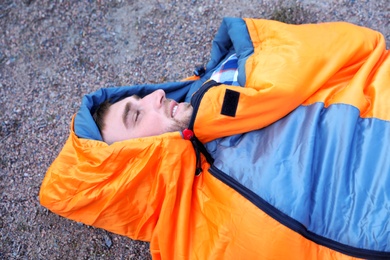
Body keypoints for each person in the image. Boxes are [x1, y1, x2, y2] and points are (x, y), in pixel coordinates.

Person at [40, 18, 390, 259]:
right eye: (136, 115)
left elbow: (357, 49)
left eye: (141, 97)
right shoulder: (191, 238)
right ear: (132, 162)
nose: (157, 94)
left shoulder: (224, 87)